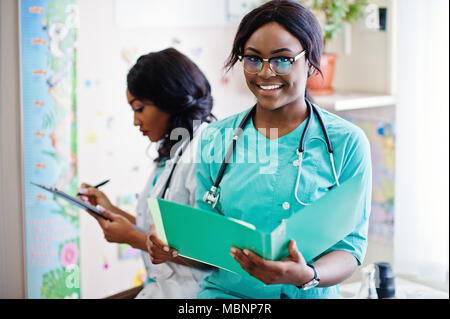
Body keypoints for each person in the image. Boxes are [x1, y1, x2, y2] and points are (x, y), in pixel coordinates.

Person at [194, 0, 372, 299]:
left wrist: (308, 276)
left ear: (311, 60)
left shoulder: (347, 143)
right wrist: (170, 248)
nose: (265, 73)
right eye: (252, 59)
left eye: (282, 60)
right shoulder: (215, 139)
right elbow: (208, 245)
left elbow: (349, 249)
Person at [78, 47, 214, 299]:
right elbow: (155, 231)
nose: (135, 121)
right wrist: (110, 210)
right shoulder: (171, 152)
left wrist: (131, 238)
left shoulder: (206, 152)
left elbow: (208, 255)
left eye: (139, 108)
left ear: (170, 98)